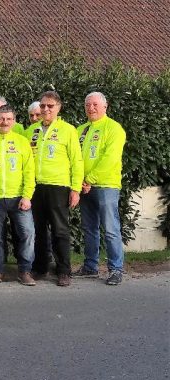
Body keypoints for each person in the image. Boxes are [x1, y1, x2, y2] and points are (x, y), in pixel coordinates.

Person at [25, 91, 84, 286]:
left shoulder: (68, 130)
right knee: (39, 229)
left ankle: (64, 271)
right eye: (42, 106)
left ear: (58, 108)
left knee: (60, 230)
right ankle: (41, 267)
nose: (45, 109)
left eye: (50, 106)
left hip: (58, 186)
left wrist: (75, 188)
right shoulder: (31, 130)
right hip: (36, 187)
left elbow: (77, 160)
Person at [74, 92, 126, 285]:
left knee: (110, 229)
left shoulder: (114, 128)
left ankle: (116, 269)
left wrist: (89, 179)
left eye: (95, 104)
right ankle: (90, 267)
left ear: (105, 106)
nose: (91, 108)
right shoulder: (81, 129)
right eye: (88, 105)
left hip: (106, 186)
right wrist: (79, 181)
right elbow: (75, 158)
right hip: (85, 186)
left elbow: (110, 159)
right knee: (89, 229)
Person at [0, 105, 36, 285]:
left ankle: (25, 271)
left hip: (18, 197)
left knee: (27, 234)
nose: (5, 122)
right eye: (1, 118)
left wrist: (27, 196)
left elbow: (29, 172)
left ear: (14, 121)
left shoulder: (22, 142)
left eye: (8, 119)